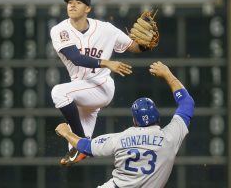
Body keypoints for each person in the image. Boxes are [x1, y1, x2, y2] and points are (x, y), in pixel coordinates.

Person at [55, 61, 195, 188]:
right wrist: (167, 73)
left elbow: (86, 147)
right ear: (157, 116)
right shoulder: (170, 138)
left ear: (134, 120)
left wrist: (66, 132)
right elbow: (187, 103)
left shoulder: (120, 139)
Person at [50, 0, 147, 166]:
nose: (72, 4)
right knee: (83, 148)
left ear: (88, 8)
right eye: (70, 1)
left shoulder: (106, 29)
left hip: (101, 87)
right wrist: (107, 63)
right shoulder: (59, 30)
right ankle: (80, 147)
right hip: (81, 91)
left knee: (58, 93)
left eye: (78, 2)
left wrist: (144, 46)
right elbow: (76, 57)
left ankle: (78, 141)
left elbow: (134, 47)